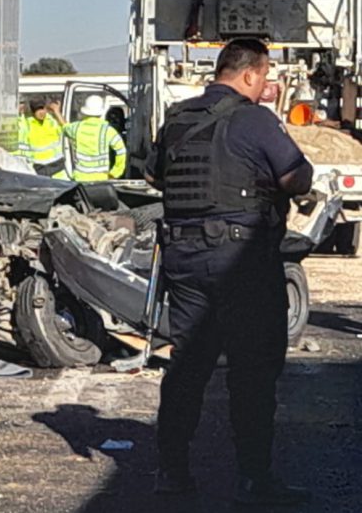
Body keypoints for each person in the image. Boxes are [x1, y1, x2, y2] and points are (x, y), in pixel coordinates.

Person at [145, 38, 313, 506]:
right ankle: (254, 479)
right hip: (240, 263)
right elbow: (296, 177)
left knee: (187, 367)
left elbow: (154, 177)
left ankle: (172, 473)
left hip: (182, 259)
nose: (265, 86)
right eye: (263, 77)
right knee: (252, 371)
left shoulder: (177, 117)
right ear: (249, 74)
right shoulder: (256, 119)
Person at [64, 95, 127, 181]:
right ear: (101, 112)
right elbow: (121, 151)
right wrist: (115, 173)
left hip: (81, 179)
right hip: (101, 179)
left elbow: (64, 127)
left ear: (85, 111)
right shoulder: (108, 131)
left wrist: (56, 112)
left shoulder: (75, 128)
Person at [16, 96, 67, 176]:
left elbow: (67, 127)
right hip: (39, 168)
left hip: (57, 165)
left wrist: (57, 111)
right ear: (33, 112)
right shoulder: (27, 124)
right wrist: (18, 113)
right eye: (37, 110)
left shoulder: (52, 121)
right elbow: (17, 126)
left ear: (46, 109)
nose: (41, 112)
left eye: (42, 108)